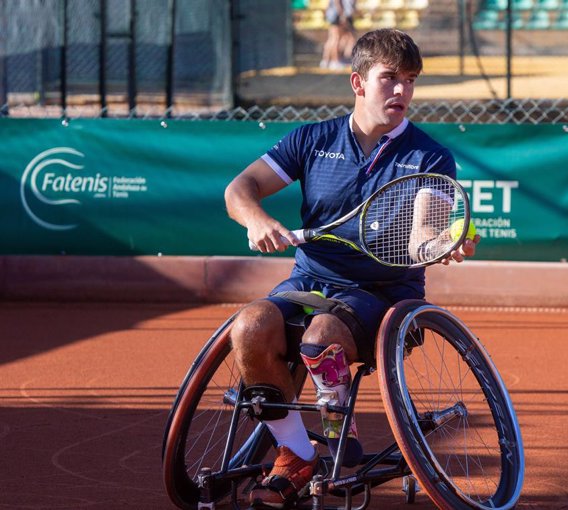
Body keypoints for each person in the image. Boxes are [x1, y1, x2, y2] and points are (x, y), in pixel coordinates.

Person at [224, 28, 479, 509]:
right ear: (358, 83)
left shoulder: (430, 157)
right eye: (390, 78)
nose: (402, 91)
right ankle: (297, 454)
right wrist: (256, 219)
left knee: (321, 336)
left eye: (410, 80)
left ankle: (339, 427)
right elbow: (240, 189)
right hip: (307, 281)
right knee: (249, 326)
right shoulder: (312, 140)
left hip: (381, 294)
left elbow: (423, 233)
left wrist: (443, 243)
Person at [320, 0, 357, 70]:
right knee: (335, 38)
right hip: (336, 15)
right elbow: (337, 2)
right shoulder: (339, 11)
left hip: (335, 14)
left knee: (335, 38)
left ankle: (327, 61)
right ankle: (334, 61)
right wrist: (342, 14)